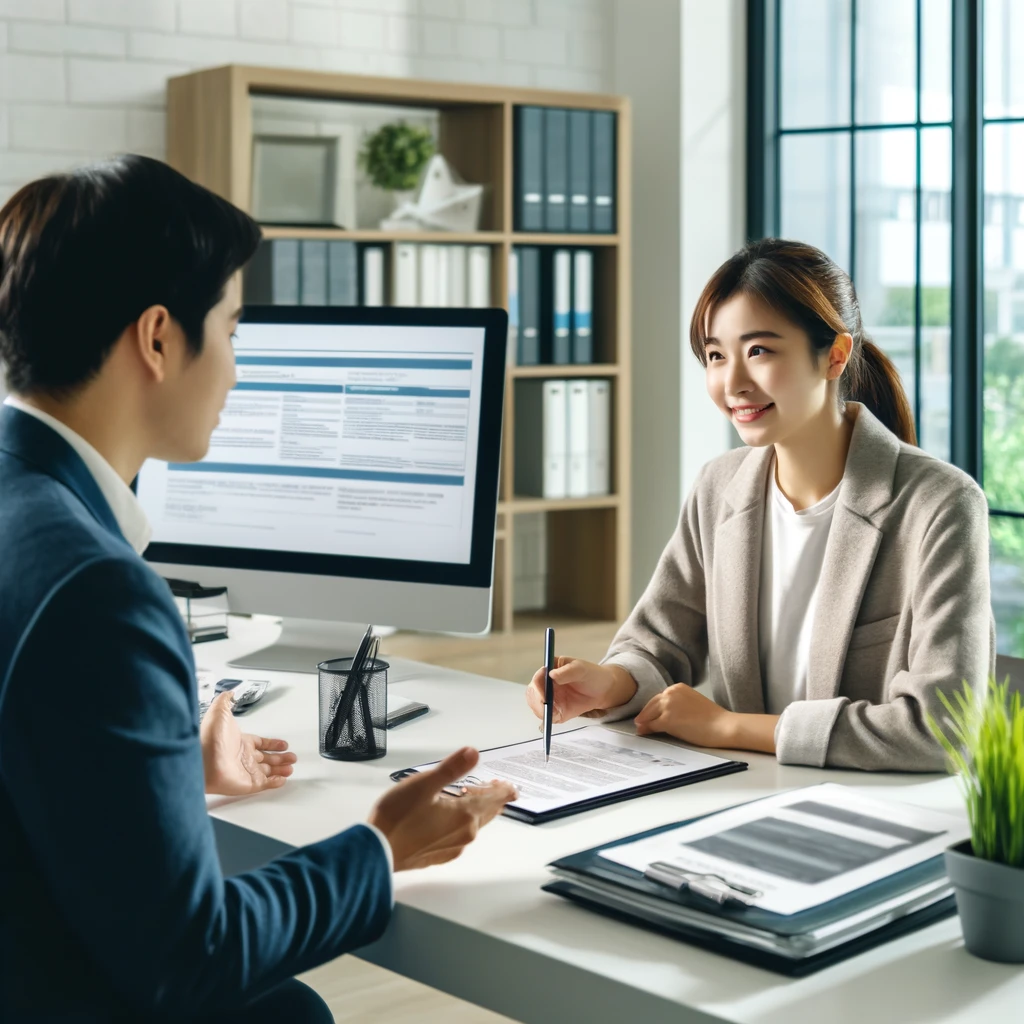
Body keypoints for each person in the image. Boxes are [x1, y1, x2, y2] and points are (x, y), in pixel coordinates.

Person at [0, 156, 516, 1023]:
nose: (237, 370)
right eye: (233, 330)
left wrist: (159, 767)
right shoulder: (100, 590)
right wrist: (380, 847)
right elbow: (190, 959)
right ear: (158, 337)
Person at [527, 239, 994, 772]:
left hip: (864, 812)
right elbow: (659, 642)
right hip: (735, 796)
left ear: (835, 356)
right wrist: (607, 683)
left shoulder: (940, 505)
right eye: (715, 355)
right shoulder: (719, 486)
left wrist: (728, 727)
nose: (732, 384)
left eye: (759, 351)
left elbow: (943, 729)